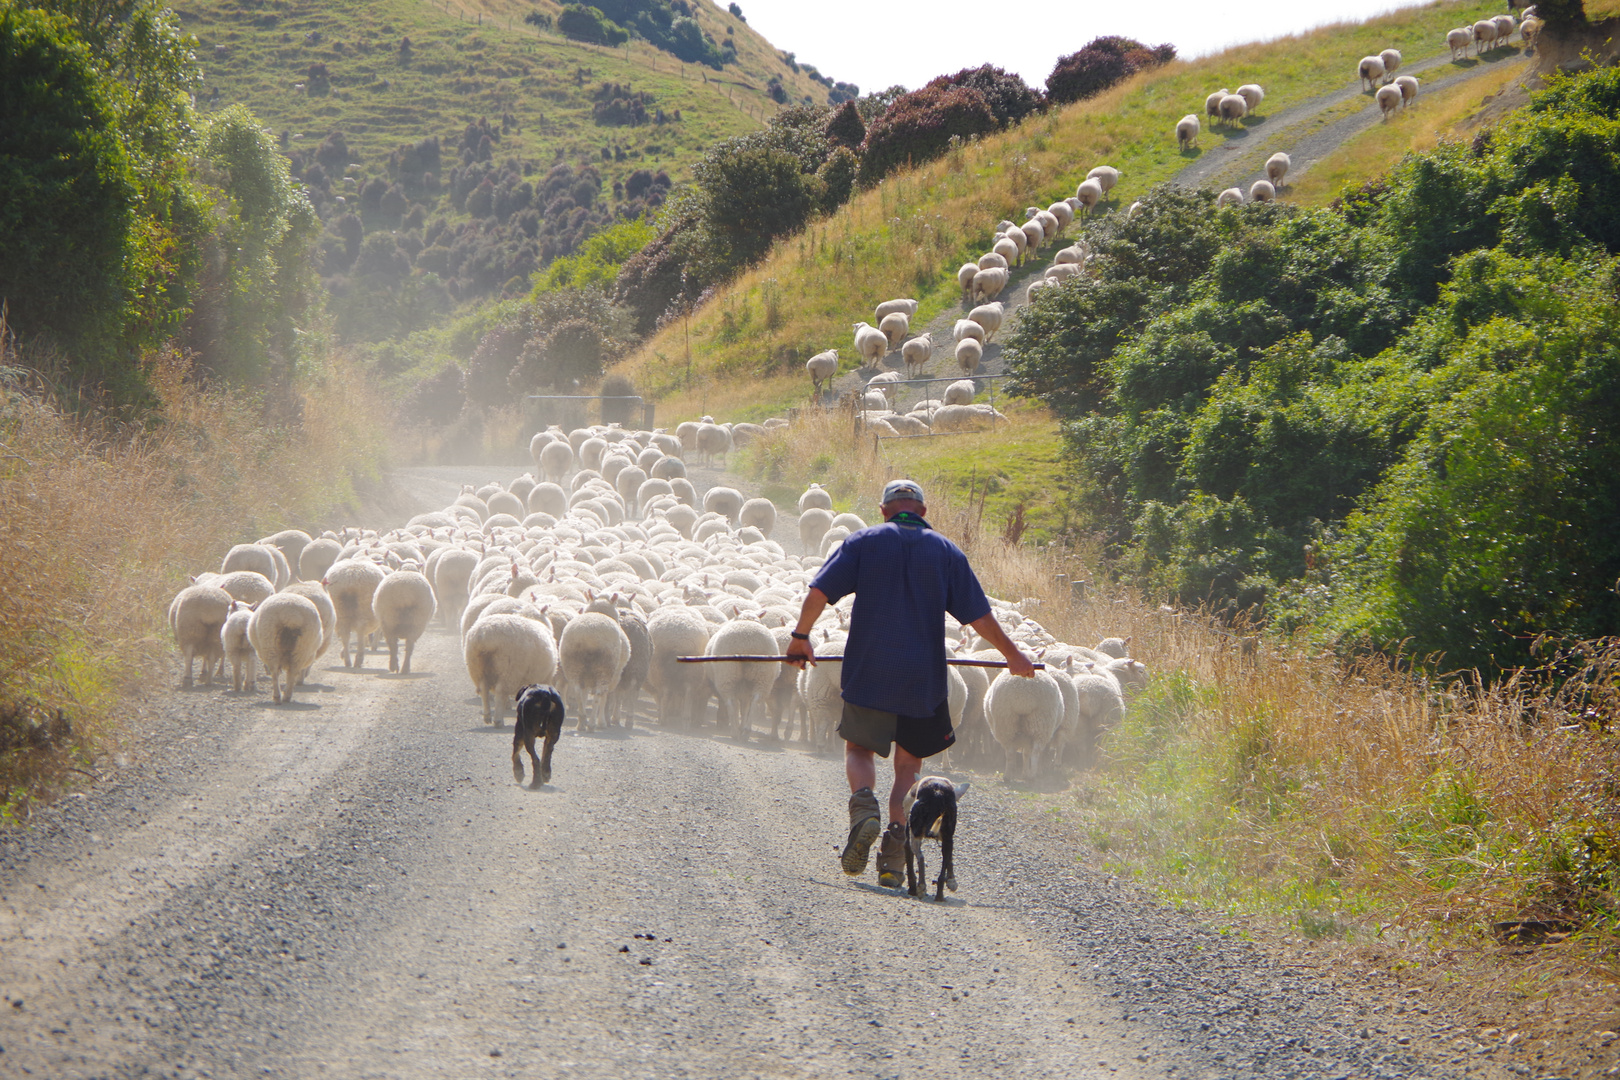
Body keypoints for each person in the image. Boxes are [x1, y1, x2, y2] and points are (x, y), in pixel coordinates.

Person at [786, 479, 1034, 889]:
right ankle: (896, 851)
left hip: (870, 667)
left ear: (884, 510)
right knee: (908, 765)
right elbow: (978, 616)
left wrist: (800, 636)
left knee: (859, 748)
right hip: (924, 676)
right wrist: (1012, 654)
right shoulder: (946, 551)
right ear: (922, 511)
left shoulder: (863, 541)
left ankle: (863, 808)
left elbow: (819, 591)